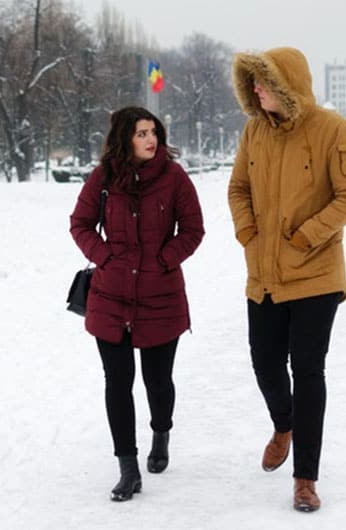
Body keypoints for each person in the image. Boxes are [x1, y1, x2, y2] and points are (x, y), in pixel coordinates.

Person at [228, 47, 346, 513]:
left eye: (263, 81)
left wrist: (308, 236)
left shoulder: (333, 130)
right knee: (265, 363)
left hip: (315, 274)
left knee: (307, 371)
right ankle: (282, 425)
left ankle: (305, 477)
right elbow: (238, 188)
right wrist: (247, 231)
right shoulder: (253, 131)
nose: (256, 89)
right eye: (252, 83)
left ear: (286, 85)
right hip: (263, 273)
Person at [70, 106, 204, 502]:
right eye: (142, 133)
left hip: (161, 297)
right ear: (124, 137)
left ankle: (160, 433)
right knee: (117, 383)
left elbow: (194, 229)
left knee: (158, 383)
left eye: (154, 132)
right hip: (111, 298)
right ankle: (127, 468)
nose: (151, 140)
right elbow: (79, 223)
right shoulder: (104, 177)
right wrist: (106, 256)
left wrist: (163, 260)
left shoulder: (174, 177)